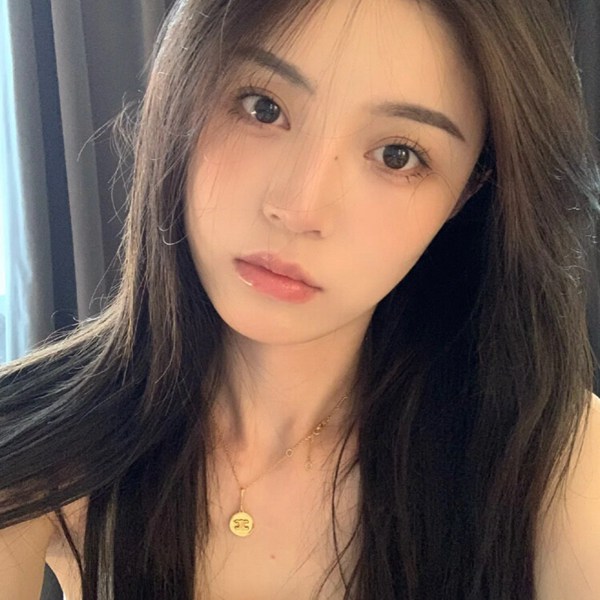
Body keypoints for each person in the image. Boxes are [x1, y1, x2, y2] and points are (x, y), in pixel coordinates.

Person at [1, 0, 599, 598]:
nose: (298, 207)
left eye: (397, 155)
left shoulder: (553, 459)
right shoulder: (33, 443)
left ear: (467, 193)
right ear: (182, 89)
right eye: (263, 107)